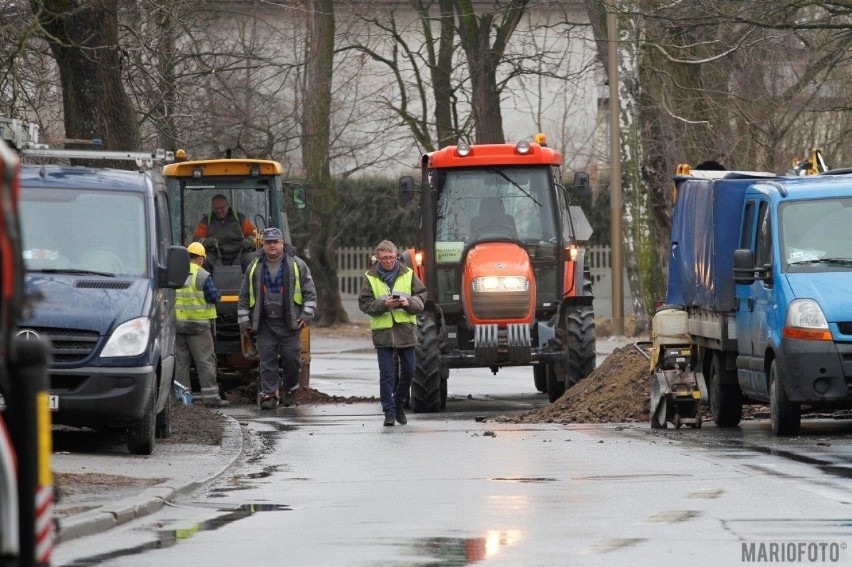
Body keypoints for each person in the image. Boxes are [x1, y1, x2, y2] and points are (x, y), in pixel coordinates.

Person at [238, 227, 317, 409]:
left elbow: (310, 294)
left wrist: (306, 315)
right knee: (267, 361)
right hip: (265, 323)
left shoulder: (297, 265)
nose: (272, 245)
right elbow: (243, 297)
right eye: (268, 242)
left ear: (282, 243)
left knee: (292, 359)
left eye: (275, 242)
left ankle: (290, 389)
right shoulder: (254, 267)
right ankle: (269, 394)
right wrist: (244, 322)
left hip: (290, 323)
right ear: (263, 245)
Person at [358, 240, 427, 426]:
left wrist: (408, 303)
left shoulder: (409, 273)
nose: (388, 261)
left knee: (410, 371)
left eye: (390, 257)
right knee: (386, 374)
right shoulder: (369, 278)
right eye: (383, 258)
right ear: (377, 259)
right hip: (383, 332)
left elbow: (421, 297)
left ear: (396, 256)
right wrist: (384, 305)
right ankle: (388, 413)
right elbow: (364, 304)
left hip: (406, 331)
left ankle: (398, 403)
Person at [176, 242, 229, 407]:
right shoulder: (202, 275)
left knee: (180, 363)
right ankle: (211, 397)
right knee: (205, 361)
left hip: (178, 325)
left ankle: (182, 399)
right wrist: (219, 296)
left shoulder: (176, 273)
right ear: (200, 259)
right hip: (198, 326)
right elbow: (213, 296)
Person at [193, 194, 257, 266]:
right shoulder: (206, 221)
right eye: (216, 208)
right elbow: (196, 239)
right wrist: (206, 241)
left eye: (222, 207)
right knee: (203, 261)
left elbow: (255, 236)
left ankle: (249, 277)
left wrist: (249, 241)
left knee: (252, 260)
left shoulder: (239, 218)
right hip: (215, 254)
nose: (219, 211)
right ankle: (207, 277)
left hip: (239, 253)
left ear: (228, 205)